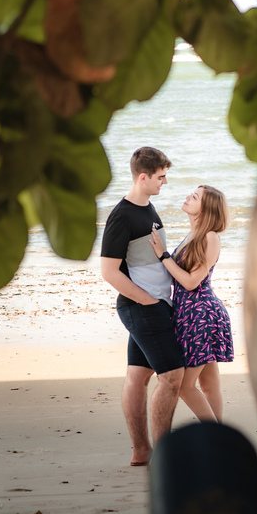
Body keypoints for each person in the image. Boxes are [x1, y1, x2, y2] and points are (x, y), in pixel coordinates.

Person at [100, 147, 184, 467]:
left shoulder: (148, 207)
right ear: (143, 177)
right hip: (143, 306)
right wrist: (147, 300)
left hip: (152, 304)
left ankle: (142, 450)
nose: (165, 182)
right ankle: (164, 455)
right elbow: (109, 272)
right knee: (172, 376)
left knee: (138, 375)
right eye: (161, 177)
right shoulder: (122, 216)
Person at [149, 185, 232, 423]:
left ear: (206, 209)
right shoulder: (193, 235)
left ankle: (216, 437)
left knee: (185, 387)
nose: (187, 197)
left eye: (194, 197)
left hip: (201, 314)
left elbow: (191, 282)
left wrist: (164, 255)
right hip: (191, 312)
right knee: (208, 382)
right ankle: (218, 443)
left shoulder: (210, 237)